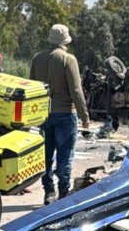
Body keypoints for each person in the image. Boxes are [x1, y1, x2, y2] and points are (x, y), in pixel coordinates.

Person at [29, 24, 90, 204]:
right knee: (64, 157)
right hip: (65, 114)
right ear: (66, 41)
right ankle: (63, 193)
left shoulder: (37, 58)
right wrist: (85, 117)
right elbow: (76, 91)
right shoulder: (68, 59)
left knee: (45, 157)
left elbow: (31, 87)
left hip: (42, 115)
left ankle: (49, 192)